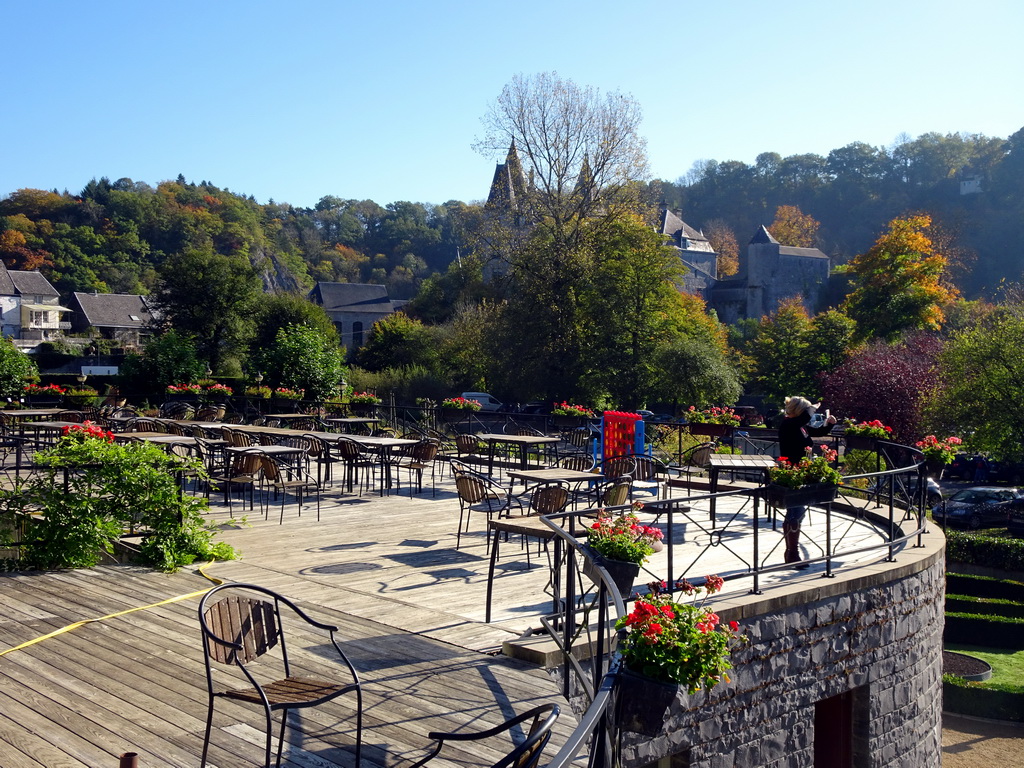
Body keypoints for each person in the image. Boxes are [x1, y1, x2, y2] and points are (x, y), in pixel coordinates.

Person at [778, 396, 837, 567]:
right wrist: (814, 407)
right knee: (795, 513)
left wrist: (830, 424)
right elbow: (807, 415)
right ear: (800, 411)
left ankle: (791, 553)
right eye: (806, 410)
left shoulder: (799, 426)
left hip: (800, 473)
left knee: (796, 513)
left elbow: (818, 432)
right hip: (793, 473)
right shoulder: (789, 424)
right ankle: (792, 554)